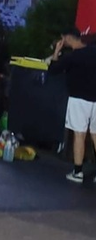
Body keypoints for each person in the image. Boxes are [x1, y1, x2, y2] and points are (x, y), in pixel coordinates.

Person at [48, 28, 96, 183]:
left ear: (68, 38)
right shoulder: (93, 51)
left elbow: (53, 70)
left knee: (79, 135)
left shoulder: (72, 57)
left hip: (78, 99)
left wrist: (56, 52)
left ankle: (78, 172)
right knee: (95, 135)